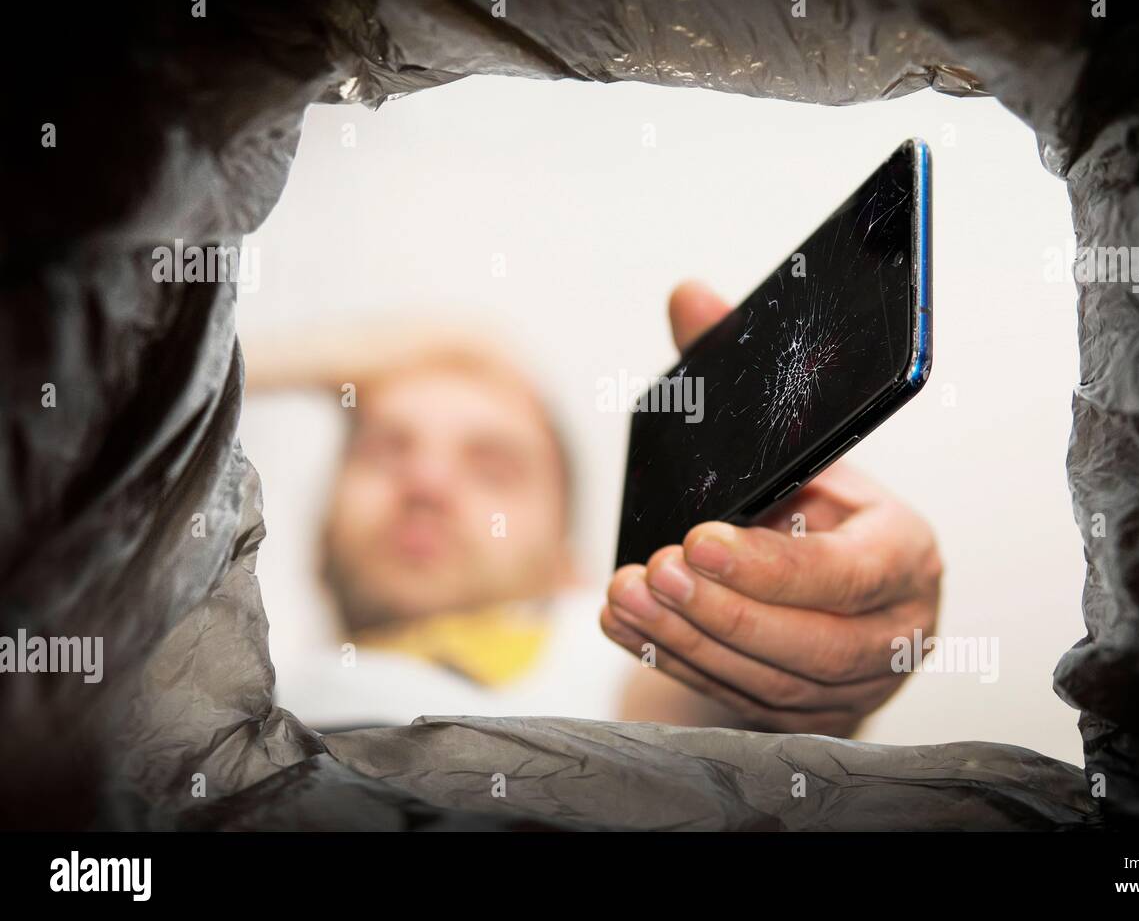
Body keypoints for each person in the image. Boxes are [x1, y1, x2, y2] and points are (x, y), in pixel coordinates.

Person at [247, 282, 942, 737]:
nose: (425, 482)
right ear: (318, 532)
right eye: (386, 452)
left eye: (493, 469)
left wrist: (811, 636)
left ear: (566, 567)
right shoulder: (230, 683)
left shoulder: (603, 646)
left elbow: (693, 710)